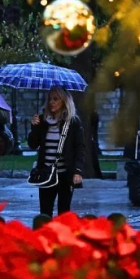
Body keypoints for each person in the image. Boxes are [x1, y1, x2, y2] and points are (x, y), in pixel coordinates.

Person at [28, 86, 86, 216]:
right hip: (46, 173)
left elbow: (80, 147)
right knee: (45, 212)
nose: (51, 102)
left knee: (64, 213)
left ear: (64, 101)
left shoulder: (73, 122)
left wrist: (78, 171)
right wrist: (34, 127)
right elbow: (33, 144)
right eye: (50, 99)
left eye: (56, 99)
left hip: (65, 174)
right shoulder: (42, 120)